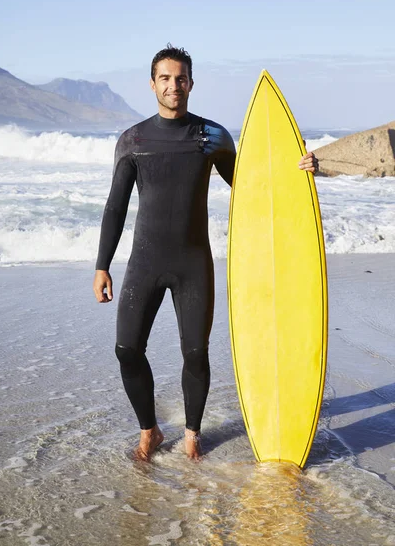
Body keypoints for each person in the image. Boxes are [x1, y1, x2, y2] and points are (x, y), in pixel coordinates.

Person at [93, 45, 318, 461]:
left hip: (193, 263)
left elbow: (252, 188)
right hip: (145, 260)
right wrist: (102, 265)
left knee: (195, 352)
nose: (173, 85)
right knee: (126, 349)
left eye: (180, 78)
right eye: (165, 78)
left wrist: (299, 167)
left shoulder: (212, 136)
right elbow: (115, 207)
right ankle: (150, 430)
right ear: (152, 84)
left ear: (191, 84)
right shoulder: (133, 140)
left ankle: (193, 433)